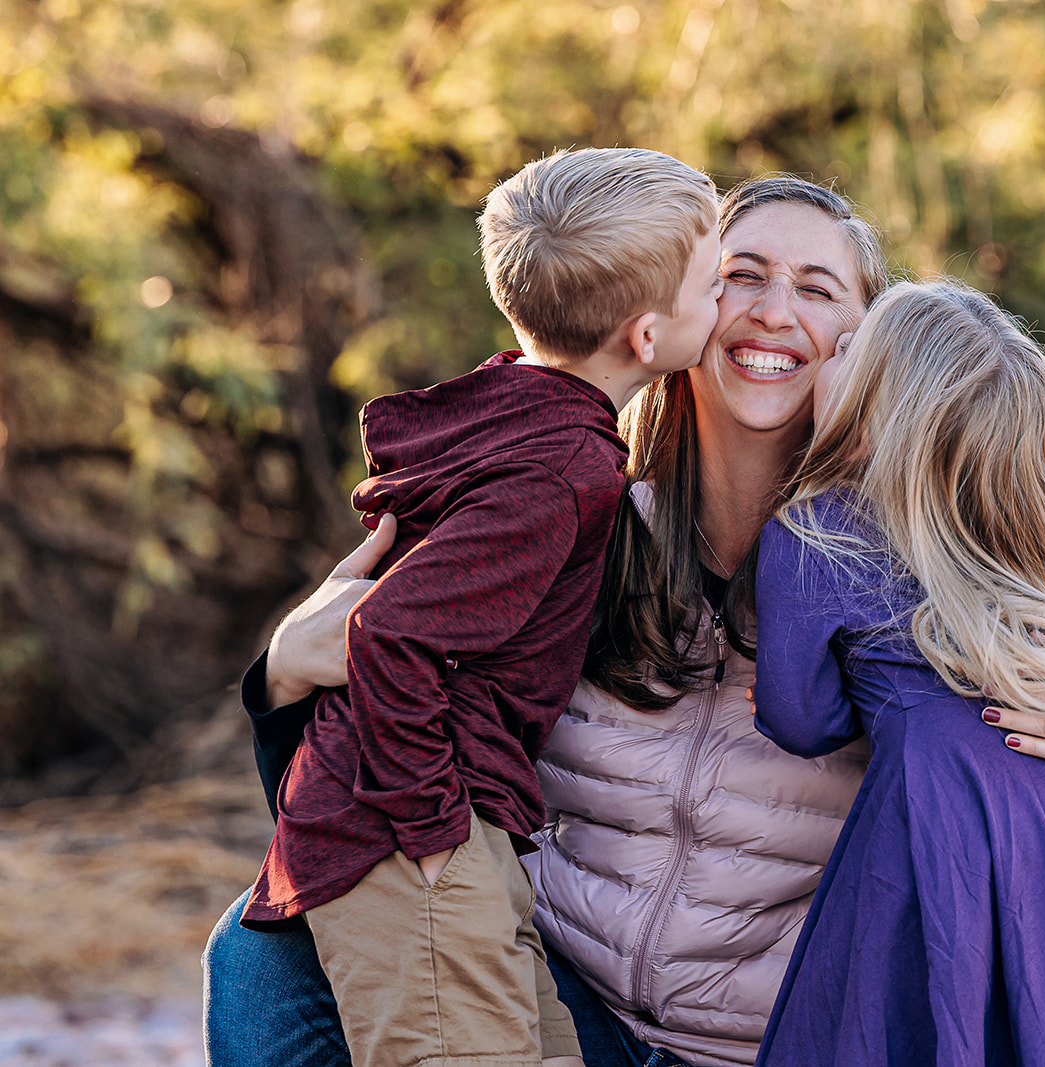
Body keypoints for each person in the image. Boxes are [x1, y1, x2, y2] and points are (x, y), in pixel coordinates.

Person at [204, 177, 1045, 1067]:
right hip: (564, 1005)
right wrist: (285, 682)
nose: (771, 310)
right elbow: (363, 782)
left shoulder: (944, 576)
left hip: (781, 1036)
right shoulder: (567, 522)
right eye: (739, 275)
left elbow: (1034, 842)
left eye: (818, 288)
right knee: (260, 946)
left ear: (872, 347)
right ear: (667, 316)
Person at [237, 147, 723, 1067]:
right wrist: (429, 835)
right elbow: (386, 633)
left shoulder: (513, 406)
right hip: (413, 828)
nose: (729, 300)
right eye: (716, 282)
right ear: (649, 341)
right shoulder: (561, 469)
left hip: (448, 820)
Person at [750, 280, 1045, 1065]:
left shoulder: (815, 528)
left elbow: (799, 718)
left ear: (882, 400)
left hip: (941, 826)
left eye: (850, 346)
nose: (828, 347)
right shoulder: (1035, 547)